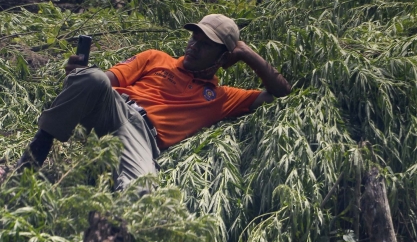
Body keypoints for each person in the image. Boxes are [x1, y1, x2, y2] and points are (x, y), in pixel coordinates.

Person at [16, 14, 291, 191]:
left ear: (223, 58)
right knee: (94, 78)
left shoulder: (221, 98)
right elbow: (105, 81)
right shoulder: (155, 58)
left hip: (142, 134)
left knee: (141, 191)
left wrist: (247, 54)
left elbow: (281, 93)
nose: (193, 46)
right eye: (193, 38)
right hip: (114, 107)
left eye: (205, 44)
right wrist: (77, 73)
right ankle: (36, 152)